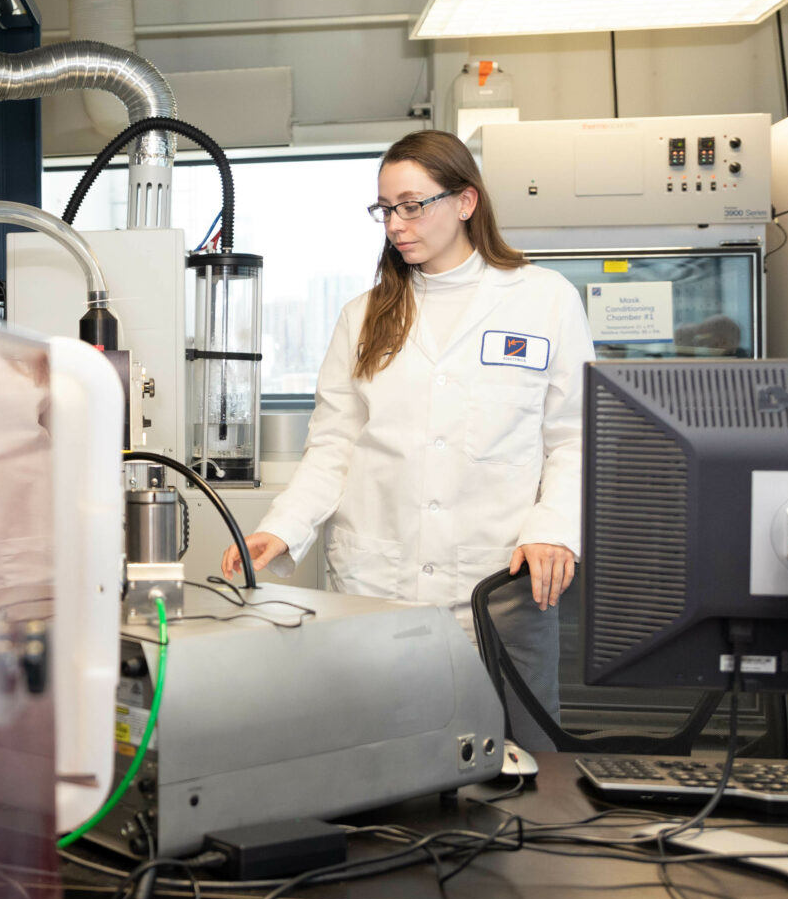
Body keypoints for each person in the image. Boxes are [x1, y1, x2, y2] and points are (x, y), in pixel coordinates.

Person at [222, 130, 594, 741]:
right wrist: (281, 527)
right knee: (381, 764)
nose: (395, 223)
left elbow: (573, 437)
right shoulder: (364, 315)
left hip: (498, 584)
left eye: (412, 204)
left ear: (466, 202)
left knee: (519, 766)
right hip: (377, 585)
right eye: (385, 208)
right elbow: (335, 445)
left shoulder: (544, 299)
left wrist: (553, 530)